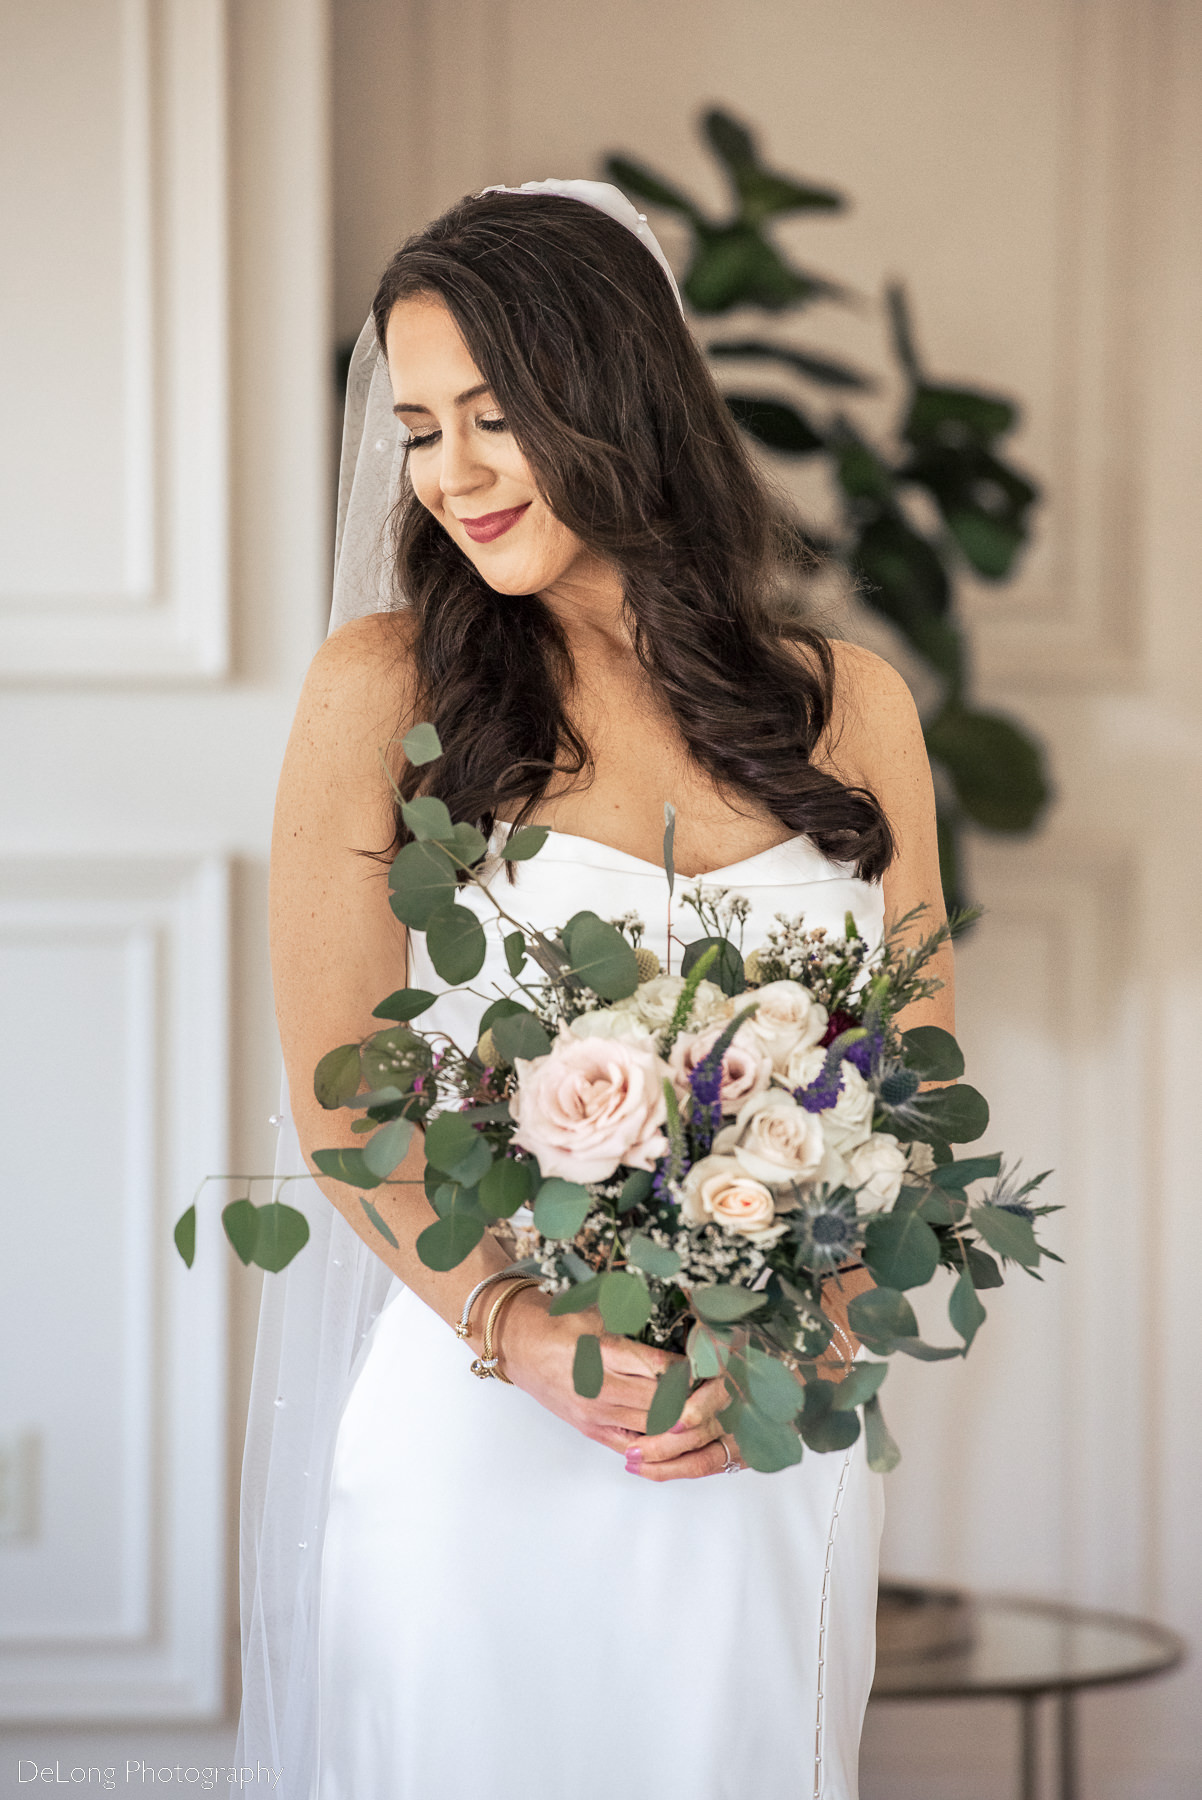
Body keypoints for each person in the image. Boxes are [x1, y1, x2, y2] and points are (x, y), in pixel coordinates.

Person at [240, 180, 953, 1800]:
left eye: (495, 417)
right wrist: (519, 1329)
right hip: (484, 1405)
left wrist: (821, 1339)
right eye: (421, 427)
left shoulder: (851, 710)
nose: (452, 474)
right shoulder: (385, 690)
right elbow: (341, 1084)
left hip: (764, 1424)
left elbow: (914, 1061)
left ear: (612, 398)